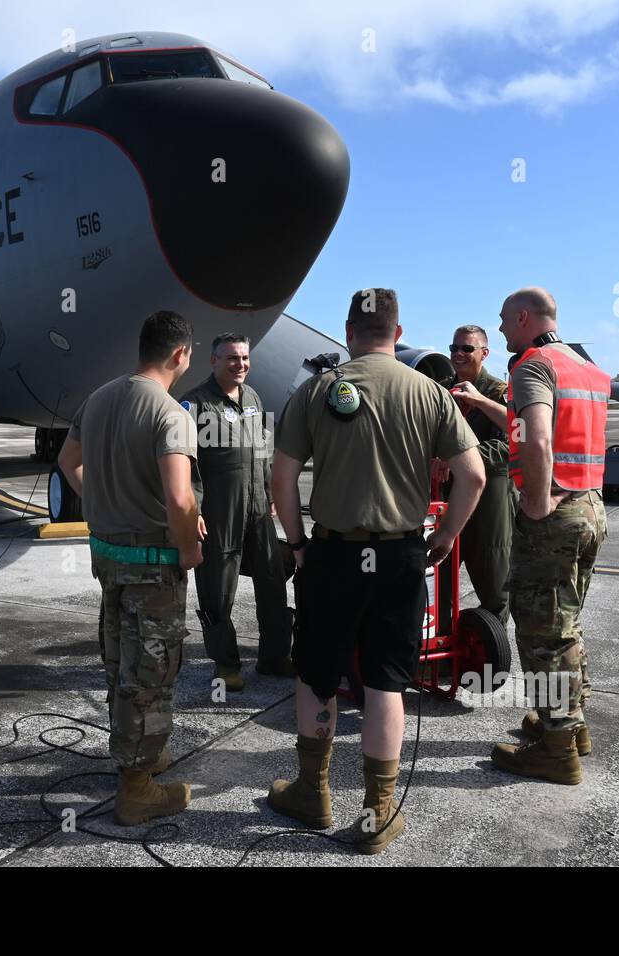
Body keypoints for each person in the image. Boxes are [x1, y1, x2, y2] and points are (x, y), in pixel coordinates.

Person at [267, 288, 486, 854]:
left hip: (334, 555)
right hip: (400, 556)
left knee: (317, 673)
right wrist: (443, 537)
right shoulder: (430, 393)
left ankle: (313, 792)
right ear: (398, 330)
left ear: (347, 330)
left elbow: (282, 478)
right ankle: (378, 811)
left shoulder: (317, 389)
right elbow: (475, 476)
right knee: (388, 681)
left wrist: (297, 546)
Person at [452, 287, 610, 785]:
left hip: (555, 513)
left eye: (503, 320)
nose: (499, 330)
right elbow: (526, 425)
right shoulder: (582, 366)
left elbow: (537, 438)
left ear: (523, 317)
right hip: (591, 506)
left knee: (542, 635)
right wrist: (485, 404)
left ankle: (556, 750)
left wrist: (537, 503)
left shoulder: (531, 366)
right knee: (567, 624)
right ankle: (569, 723)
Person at [57, 310, 203, 825]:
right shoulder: (169, 413)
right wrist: (189, 551)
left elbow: (67, 462)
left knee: (121, 664)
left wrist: (100, 498)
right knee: (151, 674)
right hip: (153, 568)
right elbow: (180, 498)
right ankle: (136, 789)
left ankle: (142, 754)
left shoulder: (98, 400)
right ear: (180, 354)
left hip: (110, 561)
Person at [181, 333, 294, 693]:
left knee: (273, 581)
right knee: (218, 588)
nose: (240, 364)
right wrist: (193, 509)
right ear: (213, 361)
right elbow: (182, 463)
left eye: (244, 358)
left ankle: (275, 657)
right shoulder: (193, 404)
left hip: (258, 509)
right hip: (219, 511)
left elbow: (264, 448)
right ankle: (226, 663)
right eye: (231, 358)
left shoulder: (254, 398)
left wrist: (269, 492)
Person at [438, 324, 513, 624]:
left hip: (489, 503)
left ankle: (490, 662)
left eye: (466, 349)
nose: (458, 354)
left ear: (484, 353)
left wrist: (458, 461)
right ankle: (440, 653)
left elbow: (508, 446)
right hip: (445, 498)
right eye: (453, 348)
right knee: (437, 580)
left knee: (494, 583)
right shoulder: (441, 390)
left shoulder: (499, 393)